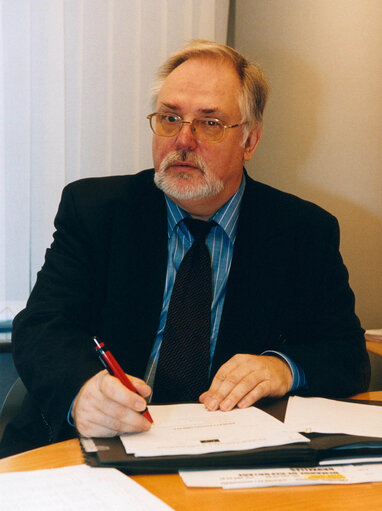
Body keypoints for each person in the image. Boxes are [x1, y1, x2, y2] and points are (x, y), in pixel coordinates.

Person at [0, 40, 370, 458]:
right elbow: (42, 326)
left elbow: (346, 356)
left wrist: (282, 367)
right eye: (170, 118)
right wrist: (82, 391)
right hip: (96, 446)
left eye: (209, 123)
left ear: (249, 141)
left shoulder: (303, 230)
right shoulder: (96, 210)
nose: (183, 140)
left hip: (231, 455)